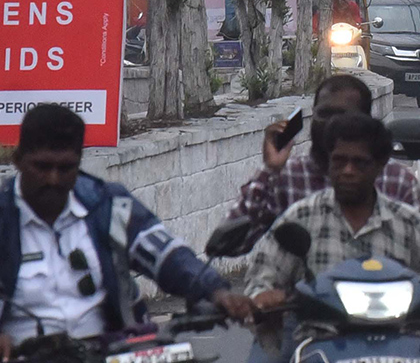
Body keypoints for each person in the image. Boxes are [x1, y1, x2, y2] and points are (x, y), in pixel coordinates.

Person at [0, 106, 255, 361]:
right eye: (42, 167)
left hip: (112, 351)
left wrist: (215, 291)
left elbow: (165, 254)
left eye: (66, 168)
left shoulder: (109, 205)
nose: (53, 179)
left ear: (79, 164)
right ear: (18, 160)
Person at [245, 114, 420, 345]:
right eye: (339, 161)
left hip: (399, 344)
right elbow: (262, 277)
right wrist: (264, 297)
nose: (348, 170)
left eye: (359, 162)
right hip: (315, 342)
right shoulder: (300, 218)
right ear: (328, 163)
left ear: (380, 166)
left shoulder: (409, 224)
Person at [227, 73, 420, 256]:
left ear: (365, 121)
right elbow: (234, 244)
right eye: (323, 114)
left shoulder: (398, 182)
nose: (330, 123)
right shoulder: (287, 177)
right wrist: (269, 170)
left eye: (341, 115)